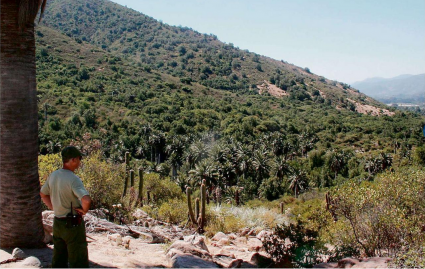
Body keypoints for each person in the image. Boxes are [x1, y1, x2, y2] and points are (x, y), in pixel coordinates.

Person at [40, 146, 91, 268]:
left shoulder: (53, 175)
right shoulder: (73, 179)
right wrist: (84, 210)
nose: (80, 161)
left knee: (59, 259)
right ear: (73, 160)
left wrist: (53, 207)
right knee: (78, 260)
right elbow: (86, 199)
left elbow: (43, 193)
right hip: (73, 224)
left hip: (57, 223)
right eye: (79, 158)